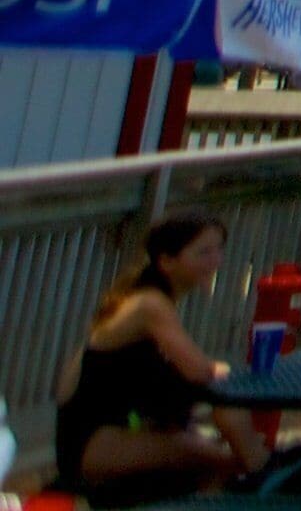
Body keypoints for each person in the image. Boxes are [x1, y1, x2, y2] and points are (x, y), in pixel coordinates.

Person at [53, 210, 269, 500]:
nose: (216, 261)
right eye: (204, 252)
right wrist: (219, 369)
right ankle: (265, 471)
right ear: (167, 262)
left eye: (219, 249)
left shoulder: (145, 298)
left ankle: (261, 469)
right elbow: (198, 371)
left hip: (102, 441)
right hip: (93, 448)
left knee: (221, 458)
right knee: (229, 462)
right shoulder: (150, 305)